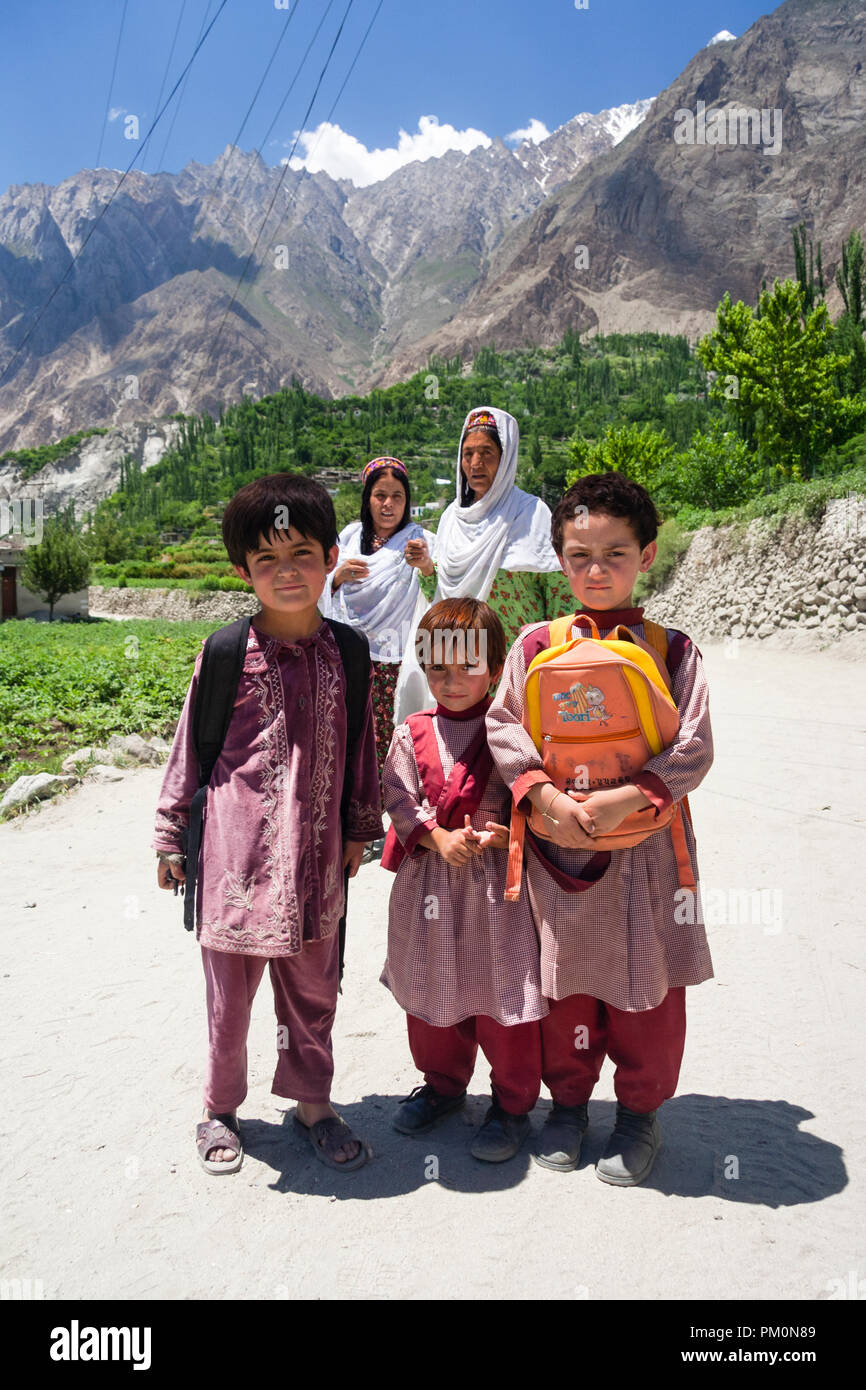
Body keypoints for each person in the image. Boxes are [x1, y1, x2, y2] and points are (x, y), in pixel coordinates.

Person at [485, 471, 714, 1185]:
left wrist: (626, 800)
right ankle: (570, 1104)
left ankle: (640, 1113)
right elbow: (504, 728)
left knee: (647, 988)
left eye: (616, 553)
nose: (597, 569)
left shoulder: (673, 651)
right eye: (580, 555)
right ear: (560, 559)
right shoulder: (532, 645)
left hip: (645, 848)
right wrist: (545, 800)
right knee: (567, 985)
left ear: (647, 555)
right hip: (560, 849)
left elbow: (695, 746)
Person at [153, 473, 383, 1174]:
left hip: (317, 864)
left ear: (331, 554)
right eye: (267, 561)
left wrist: (359, 830)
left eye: (303, 555)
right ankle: (220, 1108)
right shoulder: (226, 654)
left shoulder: (349, 652)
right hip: (234, 863)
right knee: (230, 1002)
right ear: (242, 571)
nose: (287, 574)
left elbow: (362, 750)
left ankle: (314, 1104)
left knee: (313, 995)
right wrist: (170, 834)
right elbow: (190, 748)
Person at [380, 598, 546, 1162]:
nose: (451, 681)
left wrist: (509, 833)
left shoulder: (514, 733)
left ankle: (512, 1105)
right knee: (432, 993)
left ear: (496, 669)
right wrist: (435, 836)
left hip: (499, 895)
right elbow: (397, 796)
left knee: (504, 996)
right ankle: (443, 1086)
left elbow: (536, 797)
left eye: (467, 666)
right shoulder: (411, 732)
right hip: (429, 890)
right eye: (437, 668)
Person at [393, 407, 573, 723]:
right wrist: (426, 569)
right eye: (468, 453)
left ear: (506, 458)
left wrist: (557, 661)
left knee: (515, 754)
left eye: (487, 453)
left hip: (519, 665)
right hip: (459, 670)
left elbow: (560, 596)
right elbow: (442, 595)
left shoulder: (530, 514)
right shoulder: (452, 519)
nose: (475, 463)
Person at [321, 456, 436, 794]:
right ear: (367, 499)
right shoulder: (350, 536)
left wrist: (426, 566)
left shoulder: (419, 540)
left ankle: (386, 809)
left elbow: (442, 590)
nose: (388, 504)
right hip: (349, 654)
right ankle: (355, 812)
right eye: (380, 495)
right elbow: (324, 585)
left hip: (395, 658)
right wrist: (338, 577)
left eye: (397, 496)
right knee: (349, 733)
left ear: (407, 501)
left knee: (388, 737)